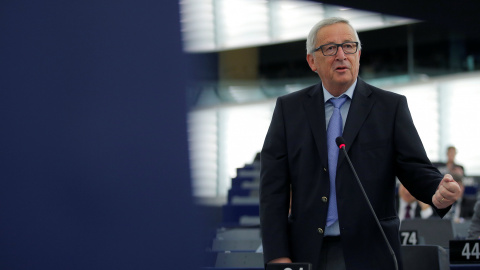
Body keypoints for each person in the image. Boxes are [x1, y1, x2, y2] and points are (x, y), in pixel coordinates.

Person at [259, 17, 461, 270]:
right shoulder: (289, 109)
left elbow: (415, 168)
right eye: (330, 48)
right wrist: (278, 256)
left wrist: (437, 193)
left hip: (373, 252)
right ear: (312, 61)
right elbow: (272, 190)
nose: (341, 55)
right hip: (308, 253)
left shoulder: (390, 107)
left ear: (359, 54)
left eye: (349, 46)